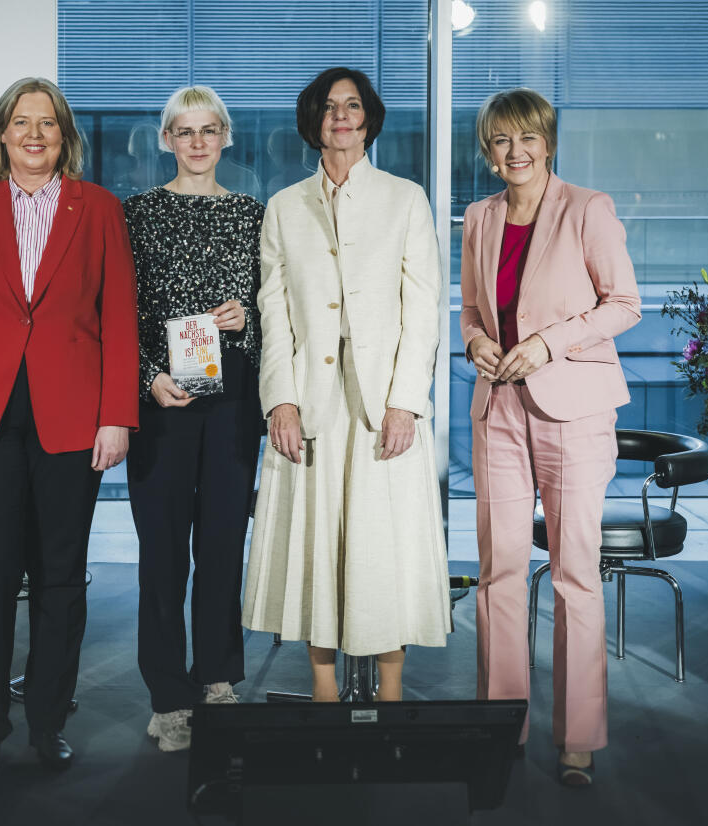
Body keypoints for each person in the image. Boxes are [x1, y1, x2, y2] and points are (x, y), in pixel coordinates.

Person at [0, 77, 138, 774]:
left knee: (60, 579)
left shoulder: (98, 208)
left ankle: (47, 722)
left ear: (63, 135)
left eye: (47, 123)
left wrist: (117, 417)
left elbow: (119, 318)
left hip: (71, 419)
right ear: (2, 134)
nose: (34, 134)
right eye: (21, 122)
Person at [242, 67, 450, 704]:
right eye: (329, 107)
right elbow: (273, 312)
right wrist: (279, 398)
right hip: (311, 407)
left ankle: (390, 693)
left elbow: (424, 312)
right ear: (314, 122)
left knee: (380, 548)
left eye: (352, 105)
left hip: (383, 409)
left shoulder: (404, 199)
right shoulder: (283, 208)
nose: (341, 115)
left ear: (369, 119)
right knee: (317, 546)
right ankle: (324, 693)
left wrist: (405, 404)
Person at [461, 88, 641, 786]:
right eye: (502, 140)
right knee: (500, 571)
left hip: (574, 410)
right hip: (498, 406)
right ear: (488, 149)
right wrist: (476, 341)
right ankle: (503, 721)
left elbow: (623, 302)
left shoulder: (588, 209)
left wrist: (547, 344)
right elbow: (473, 309)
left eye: (527, 138)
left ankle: (579, 736)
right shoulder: (479, 217)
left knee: (573, 575)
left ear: (548, 141)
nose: (515, 152)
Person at [123, 86, 264, 752]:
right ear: (166, 140)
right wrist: (146, 375)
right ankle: (167, 696)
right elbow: (113, 312)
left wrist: (248, 318)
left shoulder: (252, 214)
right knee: (162, 553)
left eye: (210, 130)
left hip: (231, 392)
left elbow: (275, 312)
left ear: (227, 136)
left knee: (221, 546)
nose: (199, 142)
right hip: (161, 392)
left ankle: (215, 678)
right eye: (185, 131)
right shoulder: (136, 215)